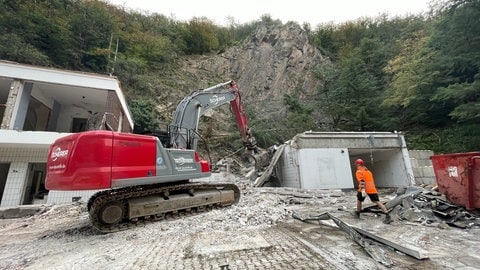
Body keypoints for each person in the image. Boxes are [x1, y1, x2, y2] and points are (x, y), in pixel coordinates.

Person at [354, 158, 392, 224]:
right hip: (372, 188)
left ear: (358, 164)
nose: (356, 166)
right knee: (377, 202)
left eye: (356, 164)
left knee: (359, 201)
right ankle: (387, 215)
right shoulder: (368, 171)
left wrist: (363, 190)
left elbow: (362, 181)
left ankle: (357, 213)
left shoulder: (359, 172)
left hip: (364, 189)